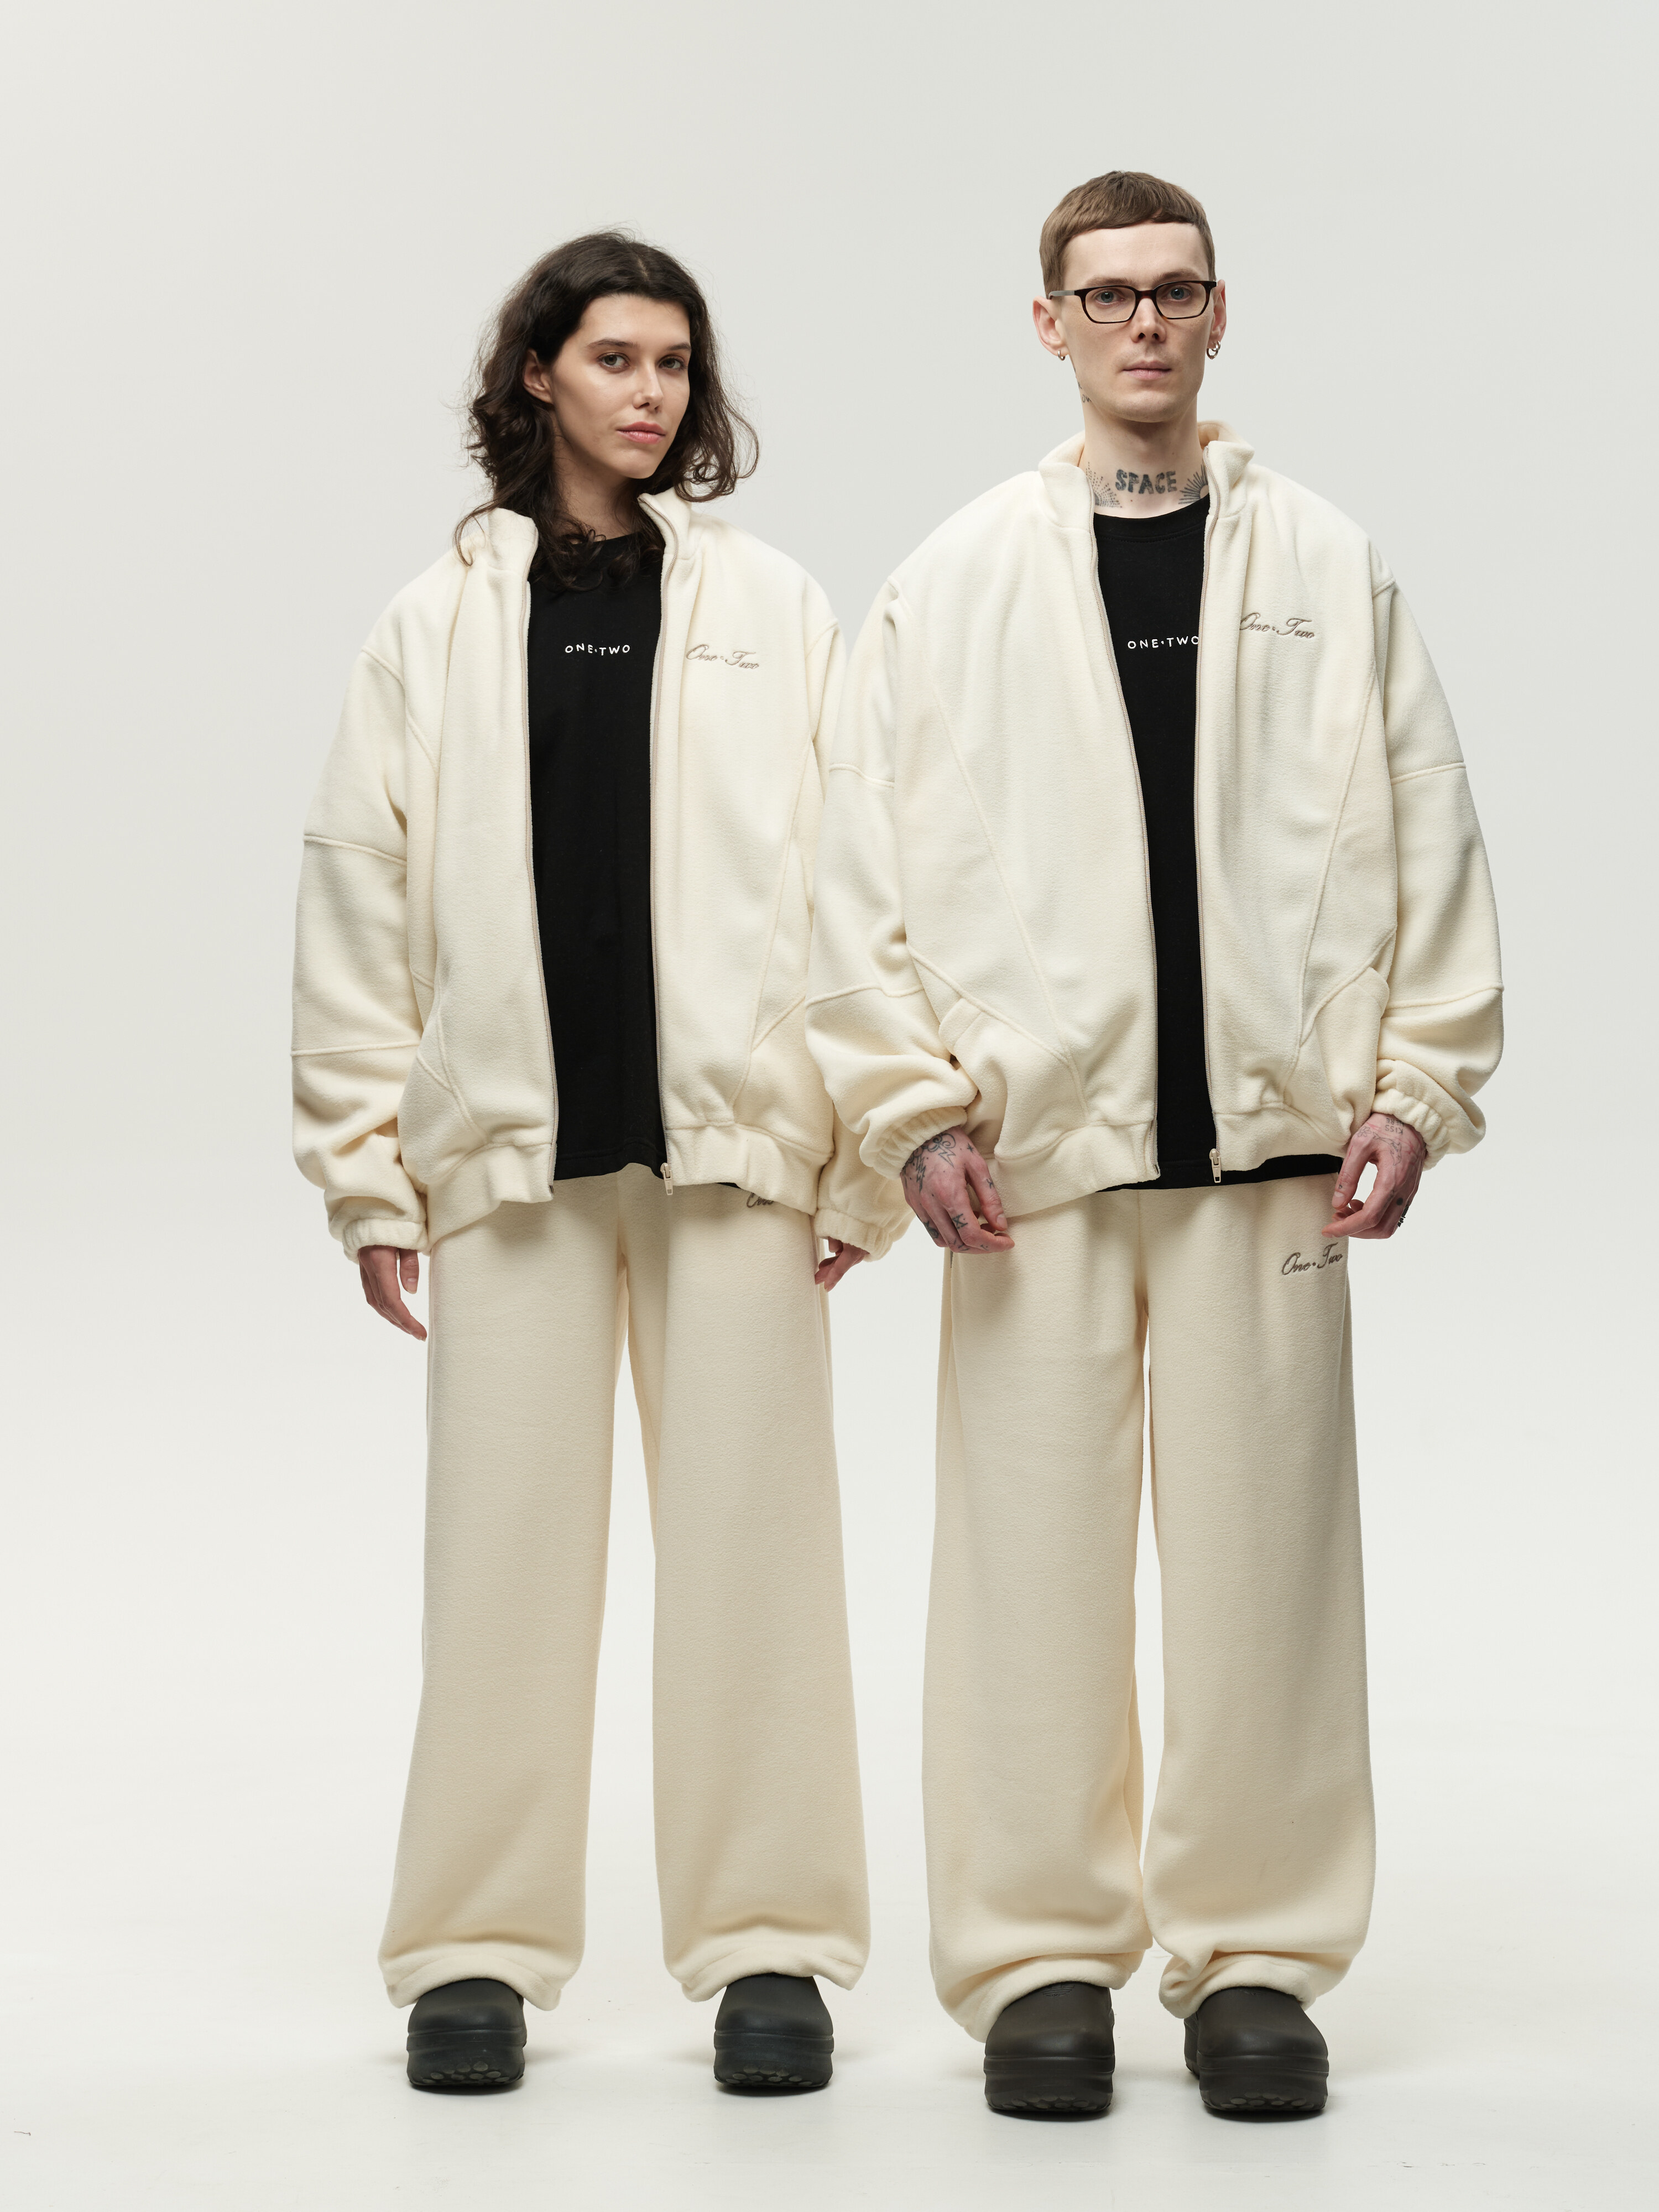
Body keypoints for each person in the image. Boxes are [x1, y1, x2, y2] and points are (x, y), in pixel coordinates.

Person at [806, 170, 1502, 2119]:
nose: (1141, 324)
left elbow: (1427, 823)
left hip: (1271, 1162)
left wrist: (1416, 1084)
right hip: (1031, 1171)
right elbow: (854, 869)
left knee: (1269, 1584)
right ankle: (1039, 1961)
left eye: (1173, 291)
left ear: (1217, 314)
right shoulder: (951, 583)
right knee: (1024, 1582)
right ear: (1048, 324)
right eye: (1105, 294)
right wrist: (909, 1110)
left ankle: (1258, 1960)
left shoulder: (1328, 563)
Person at [292, 232, 907, 2095]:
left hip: (738, 1155)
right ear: (538, 375)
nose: (652, 392)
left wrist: (863, 1156)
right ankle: (472, 1951)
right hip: (510, 1164)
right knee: (501, 1565)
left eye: (676, 363)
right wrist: (365, 1171)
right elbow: (360, 898)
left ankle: (772, 1949)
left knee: (758, 1564)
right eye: (616, 358)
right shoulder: (432, 626)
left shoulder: (776, 607)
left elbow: (859, 872)